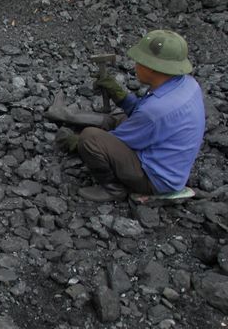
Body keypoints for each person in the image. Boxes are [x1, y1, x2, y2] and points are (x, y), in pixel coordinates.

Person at [56, 30, 205, 203]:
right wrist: (119, 94)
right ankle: (70, 119)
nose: (135, 65)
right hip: (172, 164)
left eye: (139, 61)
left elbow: (120, 139)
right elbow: (142, 113)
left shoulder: (156, 111)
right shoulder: (186, 84)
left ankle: (113, 189)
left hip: (155, 180)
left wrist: (76, 142)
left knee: (91, 138)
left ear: (152, 67)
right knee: (120, 119)